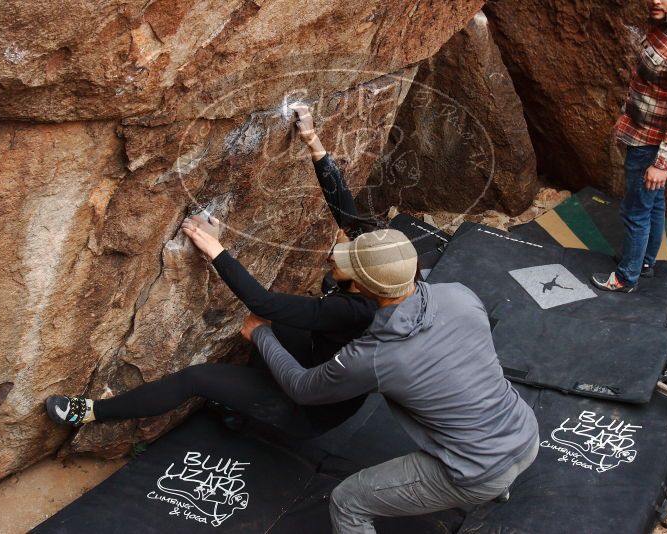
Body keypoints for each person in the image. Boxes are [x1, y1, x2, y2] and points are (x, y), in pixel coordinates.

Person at [44, 104, 379, 437]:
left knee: (198, 378)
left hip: (308, 408)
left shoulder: (353, 310)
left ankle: (90, 412)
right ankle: (242, 406)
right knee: (278, 323)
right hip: (318, 364)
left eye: (342, 254)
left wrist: (214, 247)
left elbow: (260, 303)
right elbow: (347, 214)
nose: (333, 252)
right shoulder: (385, 273)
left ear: (359, 275)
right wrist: (313, 142)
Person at [243, 229, 539, 533]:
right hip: (526, 435)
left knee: (347, 501)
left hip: (478, 473)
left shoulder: (373, 356)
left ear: (358, 287)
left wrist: (262, 334)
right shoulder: (458, 294)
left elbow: (302, 389)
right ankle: (499, 485)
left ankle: (491, 485)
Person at [592, 0, 667, 292]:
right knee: (653, 204)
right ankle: (644, 263)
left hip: (652, 143)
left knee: (635, 210)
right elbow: (650, 87)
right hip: (641, 133)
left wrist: (661, 164)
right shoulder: (666, 24)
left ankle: (626, 278)